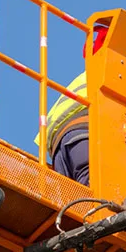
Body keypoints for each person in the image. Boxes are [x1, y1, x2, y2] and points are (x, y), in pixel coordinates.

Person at [37, 20, 110, 186]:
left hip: (59, 152)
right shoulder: (112, 72)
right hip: (84, 137)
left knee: (73, 205)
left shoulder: (81, 80)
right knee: (96, 198)